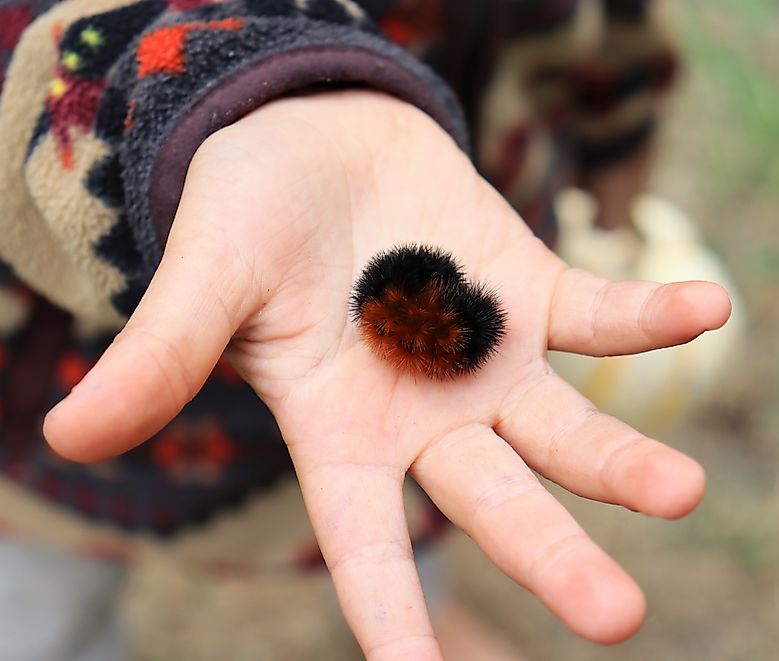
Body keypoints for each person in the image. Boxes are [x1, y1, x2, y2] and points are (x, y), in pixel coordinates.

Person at [0, 1, 731, 658]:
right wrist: (225, 93)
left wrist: (617, 144)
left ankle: (428, 611)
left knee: (411, 489)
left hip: (442, 255)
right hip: (61, 429)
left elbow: (603, 24)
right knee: (42, 596)